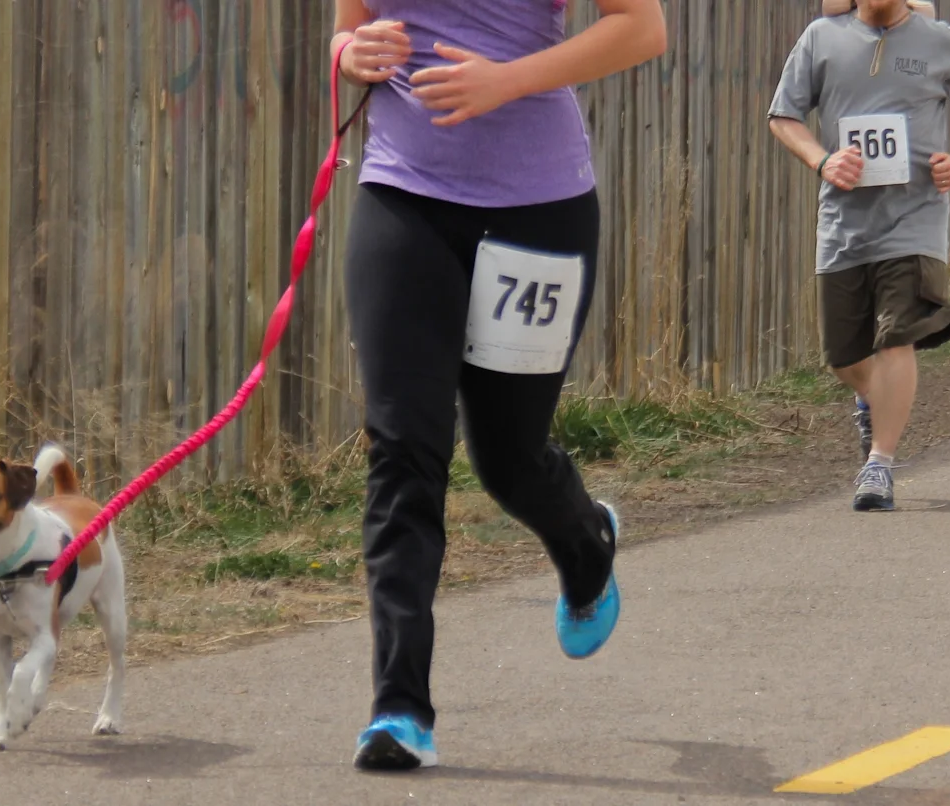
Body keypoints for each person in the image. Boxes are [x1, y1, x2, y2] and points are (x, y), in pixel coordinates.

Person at [330, 0, 666, 772]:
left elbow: (641, 27)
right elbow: (346, 34)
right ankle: (399, 709)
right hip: (403, 195)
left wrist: (507, 81)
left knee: (508, 456)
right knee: (404, 448)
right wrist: (352, 53)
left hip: (537, 211)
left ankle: (588, 545)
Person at [767, 0, 950, 512]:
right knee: (843, 355)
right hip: (844, 223)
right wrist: (822, 160)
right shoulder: (821, 38)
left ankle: (879, 465)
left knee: (897, 338)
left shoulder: (940, 40)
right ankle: (875, 403)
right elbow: (783, 116)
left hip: (915, 221)